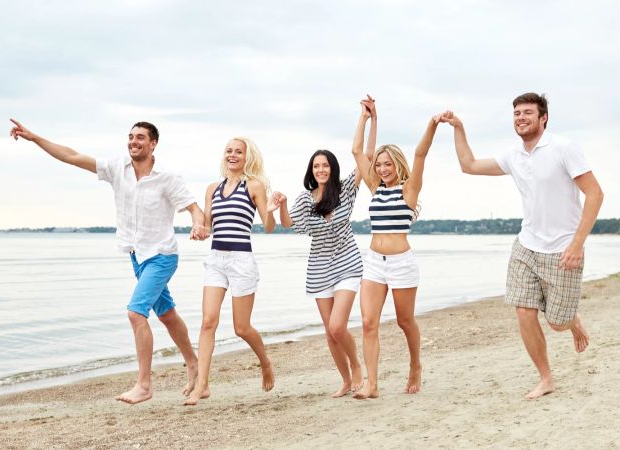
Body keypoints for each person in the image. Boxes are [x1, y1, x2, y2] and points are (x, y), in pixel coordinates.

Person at [9, 118, 208, 404]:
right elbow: (72, 156)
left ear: (153, 144)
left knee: (136, 313)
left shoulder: (167, 177)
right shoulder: (117, 169)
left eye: (140, 137)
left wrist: (198, 225)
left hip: (162, 255)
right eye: (130, 137)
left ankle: (144, 385)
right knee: (166, 314)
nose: (133, 142)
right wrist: (34, 138)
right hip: (137, 256)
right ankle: (194, 364)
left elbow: (193, 208)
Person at [438, 93, 604, 399]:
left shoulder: (564, 148)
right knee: (524, 312)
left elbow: (595, 194)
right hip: (526, 246)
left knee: (556, 323)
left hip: (563, 249)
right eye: (516, 113)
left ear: (543, 118)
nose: (520, 118)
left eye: (527, 112)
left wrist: (578, 244)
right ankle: (546, 378)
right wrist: (458, 128)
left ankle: (573, 321)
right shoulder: (514, 155)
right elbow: (469, 165)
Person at [350, 96, 442, 399]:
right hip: (375, 261)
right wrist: (367, 117)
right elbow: (357, 151)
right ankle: (372, 384)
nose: (383, 168)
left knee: (404, 321)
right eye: (379, 164)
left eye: (388, 164)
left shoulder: (409, 189)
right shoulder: (375, 188)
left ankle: (416, 365)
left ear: (397, 165)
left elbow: (420, 153)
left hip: (402, 263)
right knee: (367, 322)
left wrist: (432, 123)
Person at [272, 128, 369, 398]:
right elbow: (289, 224)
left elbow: (366, 156)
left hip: (347, 263)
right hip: (319, 269)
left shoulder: (345, 190)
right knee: (330, 333)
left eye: (325, 165)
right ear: (311, 170)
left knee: (338, 326)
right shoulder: (305, 198)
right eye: (316, 166)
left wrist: (368, 118)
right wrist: (282, 204)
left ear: (332, 168)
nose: (320, 169)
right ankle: (346, 380)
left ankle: (357, 366)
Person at [184, 137, 279, 406]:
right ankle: (202, 385)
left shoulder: (255, 186)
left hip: (241, 261)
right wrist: (199, 230)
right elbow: (208, 226)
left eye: (238, 151)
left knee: (241, 327)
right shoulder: (212, 188)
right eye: (229, 151)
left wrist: (271, 210)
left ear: (247, 157)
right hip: (216, 259)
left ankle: (265, 362)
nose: (233, 155)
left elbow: (269, 226)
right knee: (208, 321)